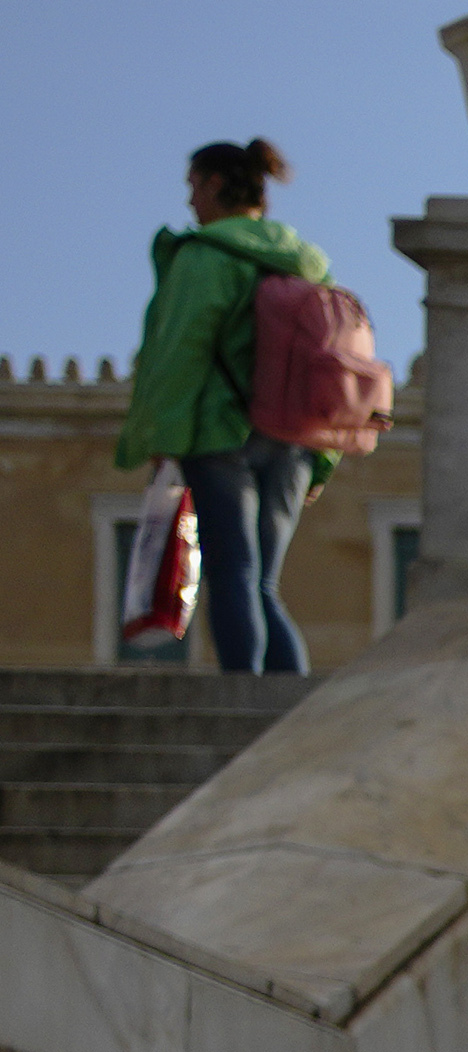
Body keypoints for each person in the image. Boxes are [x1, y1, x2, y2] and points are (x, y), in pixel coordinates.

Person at [116, 141, 325, 676]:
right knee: (264, 584)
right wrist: (323, 461)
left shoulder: (204, 255)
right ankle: (289, 708)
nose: (189, 201)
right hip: (295, 441)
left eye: (193, 186)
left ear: (213, 184)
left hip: (220, 435)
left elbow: (180, 351)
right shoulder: (308, 263)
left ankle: (242, 699)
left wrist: (162, 438)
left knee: (233, 571)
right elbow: (332, 364)